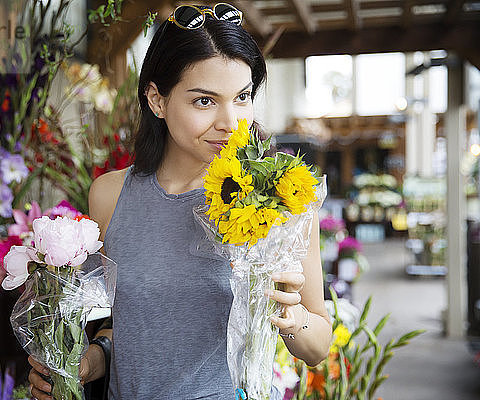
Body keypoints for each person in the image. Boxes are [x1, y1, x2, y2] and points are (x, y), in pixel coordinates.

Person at [28, 3, 332, 399]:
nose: (230, 121)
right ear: (157, 100)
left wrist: (291, 317)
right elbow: (126, 324)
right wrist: (90, 360)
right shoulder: (109, 195)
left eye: (242, 97)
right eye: (204, 101)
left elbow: (319, 346)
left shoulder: (278, 198)